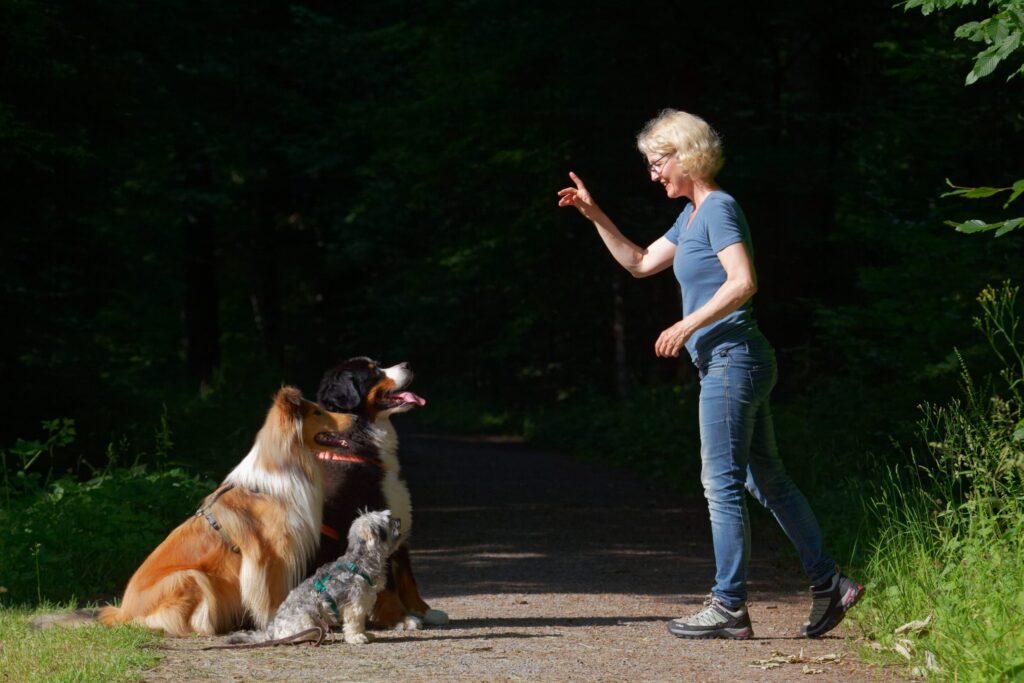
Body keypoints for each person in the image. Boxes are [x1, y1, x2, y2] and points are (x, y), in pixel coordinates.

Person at [556, 109, 863, 639]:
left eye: (657, 163)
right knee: (768, 481)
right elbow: (639, 262)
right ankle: (829, 583)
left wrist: (686, 323)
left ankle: (728, 605)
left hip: (732, 361)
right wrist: (594, 214)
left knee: (720, 485)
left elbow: (743, 282)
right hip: (734, 360)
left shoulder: (719, 207)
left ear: (685, 156)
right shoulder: (692, 215)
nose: (653, 175)